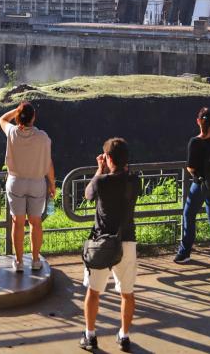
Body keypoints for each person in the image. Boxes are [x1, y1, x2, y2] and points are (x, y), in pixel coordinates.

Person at [79, 137, 141, 352]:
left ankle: (90, 335)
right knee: (127, 293)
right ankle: (124, 336)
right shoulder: (134, 181)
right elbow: (126, 178)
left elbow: (87, 195)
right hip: (127, 242)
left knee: (93, 293)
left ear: (108, 158)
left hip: (102, 245)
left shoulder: (101, 181)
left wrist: (99, 169)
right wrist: (115, 166)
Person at [0, 102, 56, 272]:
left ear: (17, 117)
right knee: (35, 222)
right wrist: (52, 184)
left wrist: (16, 111)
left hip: (16, 182)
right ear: (34, 117)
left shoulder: (12, 132)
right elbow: (49, 163)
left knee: (17, 222)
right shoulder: (43, 137)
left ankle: (18, 262)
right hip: (37, 183)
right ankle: (36, 260)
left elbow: (2, 119)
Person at [175, 107, 210, 265]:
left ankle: (184, 252)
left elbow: (191, 167)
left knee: (188, 215)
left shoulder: (195, 142)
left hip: (200, 184)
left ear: (198, 121)